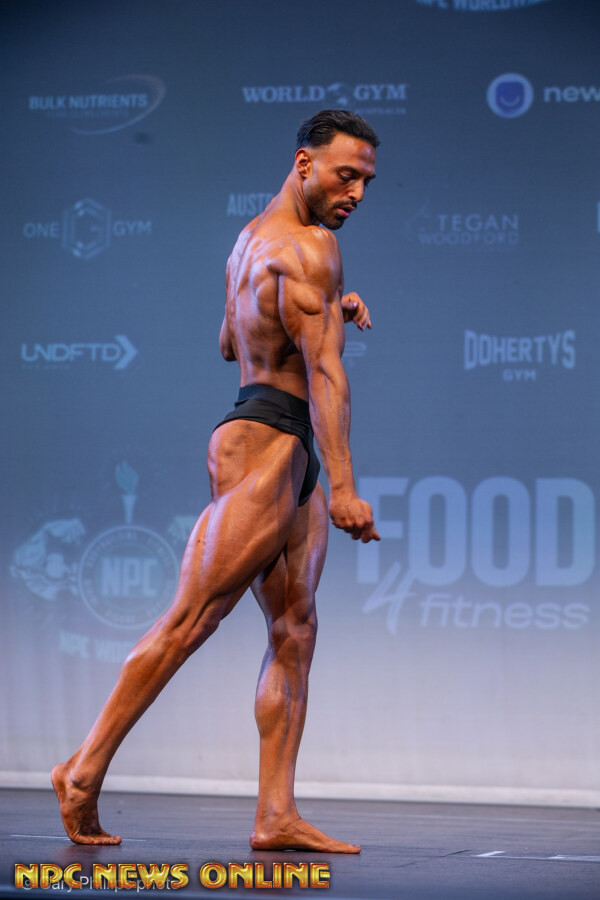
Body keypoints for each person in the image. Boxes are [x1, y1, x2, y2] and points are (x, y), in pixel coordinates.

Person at [52, 109, 380, 853]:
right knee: (191, 621)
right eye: (345, 175)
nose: (357, 193)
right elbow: (325, 373)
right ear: (305, 163)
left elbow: (232, 339)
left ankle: (276, 814)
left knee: (295, 628)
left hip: (278, 440)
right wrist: (344, 488)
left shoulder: (250, 240)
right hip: (266, 441)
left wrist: (329, 306)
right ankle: (81, 770)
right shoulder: (311, 246)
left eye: (366, 181)